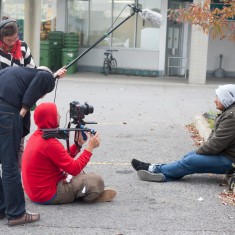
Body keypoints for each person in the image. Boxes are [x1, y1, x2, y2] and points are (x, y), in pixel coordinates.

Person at [131, 84, 235, 187]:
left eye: (218, 97)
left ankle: (155, 169)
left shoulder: (231, 116)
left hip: (230, 160)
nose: (215, 100)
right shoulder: (229, 111)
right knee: (188, 157)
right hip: (225, 154)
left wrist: (198, 153)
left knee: (191, 160)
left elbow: (216, 144)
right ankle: (164, 173)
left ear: (226, 98)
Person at [0, 17, 67, 169]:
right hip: (4, 102)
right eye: (8, 40)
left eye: (15, 38)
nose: (12, 43)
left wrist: (53, 75)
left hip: (23, 99)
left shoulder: (22, 47)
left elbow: (34, 74)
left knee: (19, 145)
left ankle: (17, 180)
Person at [22, 102, 117, 205]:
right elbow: (74, 169)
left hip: (36, 191)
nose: (60, 116)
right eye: (57, 114)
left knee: (82, 172)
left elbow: (62, 159)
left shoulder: (37, 136)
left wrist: (78, 145)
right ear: (50, 118)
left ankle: (83, 190)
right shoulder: (49, 143)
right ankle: (89, 194)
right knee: (96, 180)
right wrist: (90, 147)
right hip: (47, 194)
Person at [0, 66, 58, 226]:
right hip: (7, 114)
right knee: (9, 165)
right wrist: (22, 113)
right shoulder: (44, 76)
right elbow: (40, 82)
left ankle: (1, 208)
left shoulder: (11, 72)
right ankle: (16, 214)